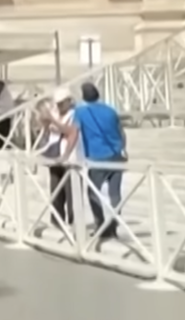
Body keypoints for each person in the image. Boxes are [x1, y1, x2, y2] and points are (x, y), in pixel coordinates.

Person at [73, 82, 127, 240]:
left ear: (83, 96)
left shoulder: (80, 112)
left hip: (97, 158)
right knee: (115, 193)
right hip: (116, 155)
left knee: (93, 192)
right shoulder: (110, 110)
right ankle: (114, 225)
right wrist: (123, 148)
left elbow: (74, 132)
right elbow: (121, 133)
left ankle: (100, 223)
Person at [31, 88, 77, 239]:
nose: (59, 106)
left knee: (71, 191)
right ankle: (56, 220)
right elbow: (47, 129)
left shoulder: (74, 114)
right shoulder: (56, 113)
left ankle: (73, 223)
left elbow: (67, 131)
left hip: (70, 156)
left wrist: (53, 120)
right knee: (55, 189)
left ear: (69, 101)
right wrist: (44, 118)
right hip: (54, 155)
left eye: (62, 103)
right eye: (58, 104)